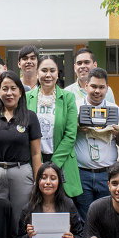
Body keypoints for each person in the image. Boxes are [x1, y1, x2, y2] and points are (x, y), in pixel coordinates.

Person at [0, 70, 42, 228]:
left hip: (22, 173)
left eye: (13, 88)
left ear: (21, 92)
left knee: (21, 218)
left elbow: (36, 154)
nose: (9, 93)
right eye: (5, 88)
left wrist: (37, 182)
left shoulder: (30, 116)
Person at [26, 55, 82, 197]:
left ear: (58, 74)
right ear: (37, 73)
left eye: (52, 70)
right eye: (44, 70)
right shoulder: (27, 98)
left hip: (61, 161)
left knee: (63, 209)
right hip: (34, 159)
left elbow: (70, 135)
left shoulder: (68, 97)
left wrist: (53, 166)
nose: (48, 74)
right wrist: (39, 165)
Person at [73, 67, 119, 221]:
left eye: (101, 87)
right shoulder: (74, 107)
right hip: (82, 174)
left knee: (107, 218)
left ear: (107, 88)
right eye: (93, 86)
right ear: (86, 86)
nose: (97, 91)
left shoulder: (115, 109)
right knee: (84, 219)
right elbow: (65, 137)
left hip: (107, 173)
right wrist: (77, 128)